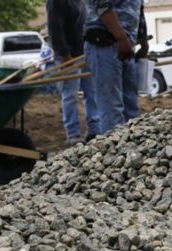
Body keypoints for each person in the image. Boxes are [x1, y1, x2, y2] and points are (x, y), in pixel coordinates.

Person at [83, 0, 149, 134]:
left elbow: (138, 10)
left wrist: (143, 42)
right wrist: (121, 38)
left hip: (126, 46)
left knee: (130, 108)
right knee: (111, 109)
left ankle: (132, 149)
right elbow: (102, 5)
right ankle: (113, 151)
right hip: (104, 43)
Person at [46, 0, 100, 144]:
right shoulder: (56, 2)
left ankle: (95, 130)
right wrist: (64, 53)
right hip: (68, 55)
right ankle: (73, 134)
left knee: (92, 92)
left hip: (84, 52)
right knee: (70, 95)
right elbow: (54, 27)